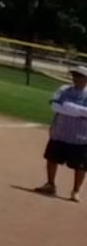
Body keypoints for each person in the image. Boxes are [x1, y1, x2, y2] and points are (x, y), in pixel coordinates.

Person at [35, 63, 87, 202]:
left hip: (81, 137)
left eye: (79, 76)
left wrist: (69, 107)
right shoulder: (63, 89)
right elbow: (55, 106)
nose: (75, 78)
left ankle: (76, 191)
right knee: (52, 158)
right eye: (74, 75)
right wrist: (78, 111)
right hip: (60, 132)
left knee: (80, 165)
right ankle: (50, 184)